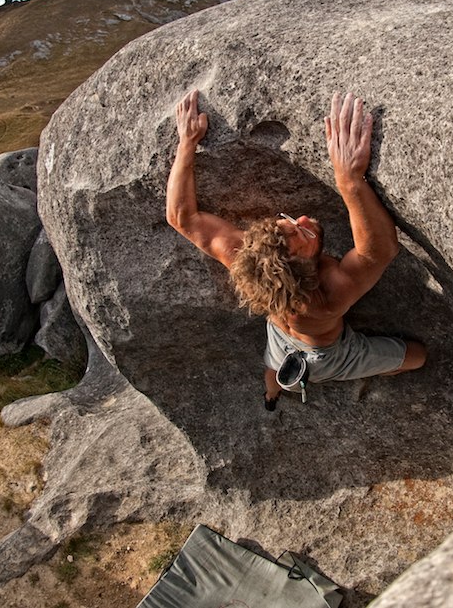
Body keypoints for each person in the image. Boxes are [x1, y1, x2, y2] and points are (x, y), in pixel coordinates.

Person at [166, 89, 427, 410]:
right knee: (417, 357)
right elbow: (379, 250)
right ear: (310, 274)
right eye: (303, 231)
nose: (302, 218)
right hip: (326, 356)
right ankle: (342, 375)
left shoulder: (250, 260)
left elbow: (182, 217)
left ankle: (272, 394)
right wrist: (349, 180)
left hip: (279, 339)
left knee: (275, 366)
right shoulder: (328, 299)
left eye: (287, 221)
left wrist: (187, 143)